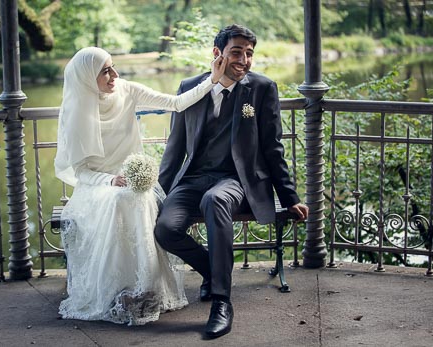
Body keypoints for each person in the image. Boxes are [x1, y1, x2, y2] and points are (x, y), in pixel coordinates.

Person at [154, 24, 309, 338]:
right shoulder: (189, 86)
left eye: (249, 53)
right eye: (237, 52)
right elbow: (176, 146)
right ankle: (215, 272)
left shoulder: (262, 89)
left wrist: (290, 197)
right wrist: (158, 191)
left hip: (236, 180)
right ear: (217, 54)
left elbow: (273, 147)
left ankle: (221, 302)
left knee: (216, 199)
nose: (244, 59)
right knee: (165, 229)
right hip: (193, 178)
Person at [54, 47, 226, 326]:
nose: (115, 75)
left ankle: (146, 288)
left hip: (130, 179)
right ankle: (117, 290)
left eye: (113, 66)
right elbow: (82, 172)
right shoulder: (77, 110)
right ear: (87, 77)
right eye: (105, 71)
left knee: (138, 198)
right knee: (118, 200)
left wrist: (213, 80)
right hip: (98, 185)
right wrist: (109, 180)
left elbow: (177, 103)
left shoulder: (127, 90)